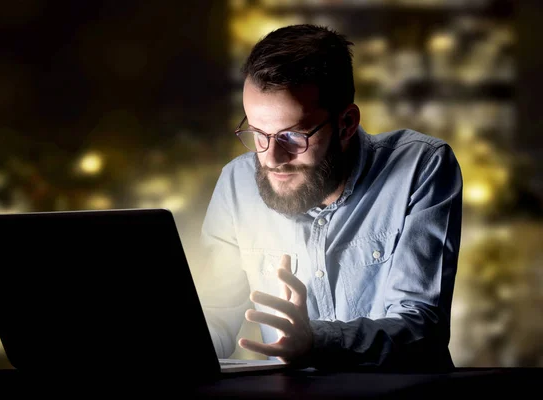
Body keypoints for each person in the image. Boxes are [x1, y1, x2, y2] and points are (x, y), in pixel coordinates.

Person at [195, 24, 463, 371]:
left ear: (347, 123)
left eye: (292, 136)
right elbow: (213, 320)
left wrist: (316, 341)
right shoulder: (236, 183)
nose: (271, 158)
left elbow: (421, 329)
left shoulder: (421, 166)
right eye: (258, 134)